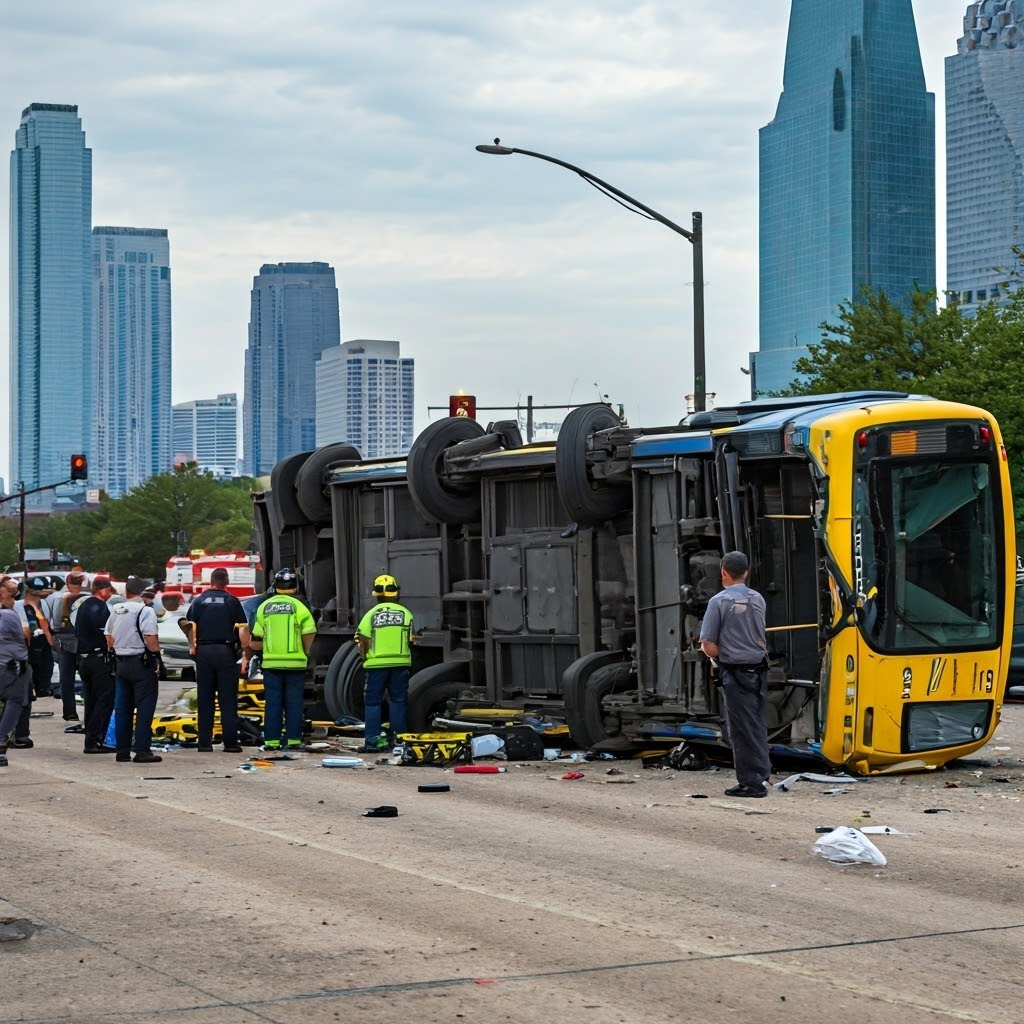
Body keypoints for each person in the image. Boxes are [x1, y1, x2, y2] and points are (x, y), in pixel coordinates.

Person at [699, 550, 772, 799]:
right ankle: (760, 774)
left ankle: (752, 783)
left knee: (741, 728)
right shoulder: (758, 599)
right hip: (759, 670)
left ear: (723, 573)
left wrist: (719, 658)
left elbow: (708, 644)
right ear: (746, 572)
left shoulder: (718, 602)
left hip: (736, 671)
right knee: (755, 723)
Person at [250, 568, 315, 751]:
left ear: (275, 586)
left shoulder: (264, 607)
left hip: (271, 665)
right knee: (294, 703)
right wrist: (304, 651)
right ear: (295, 586)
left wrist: (269, 647)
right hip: (296, 664)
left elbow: (255, 641)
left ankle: (271, 741)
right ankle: (293, 739)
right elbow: (310, 631)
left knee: (273, 703)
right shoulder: (300, 607)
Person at [185, 567, 248, 753]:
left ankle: (204, 743)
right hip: (226, 652)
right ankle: (230, 743)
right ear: (226, 582)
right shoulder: (232, 601)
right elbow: (243, 631)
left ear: (211, 581)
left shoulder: (199, 601)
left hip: (204, 652)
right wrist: (245, 652)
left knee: (205, 699)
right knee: (227, 699)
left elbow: (189, 627)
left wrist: (193, 647)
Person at [104, 575, 163, 764]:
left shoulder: (116, 610)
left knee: (123, 709)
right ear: (142, 592)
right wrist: (156, 656)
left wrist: (117, 650)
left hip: (121, 664)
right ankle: (142, 750)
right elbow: (150, 637)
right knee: (145, 707)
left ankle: (122, 751)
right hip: (141, 664)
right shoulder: (145, 611)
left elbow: (108, 635)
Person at [354, 574, 413, 753]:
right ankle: (399, 739)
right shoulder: (406, 613)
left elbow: (362, 638)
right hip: (400, 664)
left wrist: (365, 656)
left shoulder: (371, 615)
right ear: (396, 592)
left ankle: (372, 740)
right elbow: (410, 638)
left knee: (373, 701)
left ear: (376, 594)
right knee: (398, 701)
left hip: (376, 666)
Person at [10, 575, 56, 749]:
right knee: (21, 695)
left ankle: (20, 734)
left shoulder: (44, 604)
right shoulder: (19, 607)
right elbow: (27, 631)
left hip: (39, 650)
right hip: (23, 655)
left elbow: (47, 626)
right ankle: (18, 735)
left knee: (29, 692)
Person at [75, 576, 117, 754]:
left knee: (91, 699)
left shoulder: (84, 605)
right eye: (109, 591)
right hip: (98, 659)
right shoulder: (98, 607)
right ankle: (95, 740)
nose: (109, 595)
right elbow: (106, 635)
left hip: (84, 658)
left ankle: (90, 740)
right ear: (104, 589)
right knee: (104, 699)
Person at [45, 570, 88, 721]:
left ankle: (70, 711)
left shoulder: (57, 598)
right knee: (82, 678)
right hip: (78, 641)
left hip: (67, 641)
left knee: (68, 678)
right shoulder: (85, 599)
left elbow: (54, 622)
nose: (75, 586)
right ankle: (80, 710)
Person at [0, 575, 31, 768]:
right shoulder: (10, 615)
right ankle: (2, 737)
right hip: (10, 667)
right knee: (16, 701)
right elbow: (23, 638)